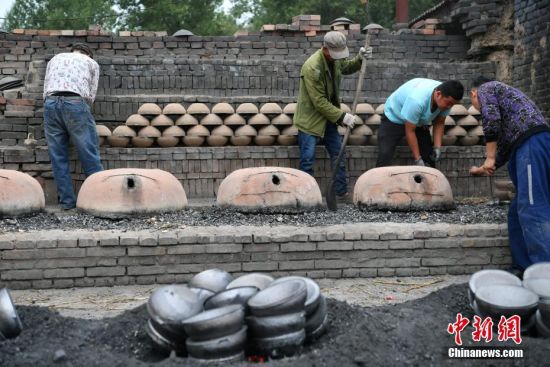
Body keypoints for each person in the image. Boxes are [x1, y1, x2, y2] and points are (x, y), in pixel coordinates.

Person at [469, 76, 550, 271]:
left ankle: (544, 275)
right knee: (517, 211)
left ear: (473, 94)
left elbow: (491, 119)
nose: (479, 109)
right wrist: (484, 167)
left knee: (533, 207)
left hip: (532, 145)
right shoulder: (509, 109)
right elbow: (503, 150)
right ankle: (523, 268)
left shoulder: (487, 88)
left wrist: (488, 157)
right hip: (528, 146)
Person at [293, 31, 372, 200]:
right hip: (310, 120)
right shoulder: (312, 67)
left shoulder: (335, 59)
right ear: (325, 49)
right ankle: (307, 197)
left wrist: (360, 58)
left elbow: (346, 67)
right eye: (336, 53)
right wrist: (342, 116)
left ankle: (341, 194)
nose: (338, 57)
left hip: (329, 118)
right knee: (307, 159)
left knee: (338, 153)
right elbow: (319, 101)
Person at [43, 43, 103, 210]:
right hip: (75, 102)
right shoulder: (91, 63)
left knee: (58, 156)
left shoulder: (55, 58)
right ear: (88, 54)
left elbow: (46, 87)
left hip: (50, 102)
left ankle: (67, 202)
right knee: (88, 152)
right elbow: (91, 95)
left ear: (72, 51)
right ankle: (99, 199)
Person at [376, 78, 464, 167]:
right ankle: (378, 179)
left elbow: (439, 123)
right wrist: (418, 160)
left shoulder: (446, 98)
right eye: (448, 103)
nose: (449, 107)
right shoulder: (417, 100)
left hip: (417, 121)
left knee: (429, 157)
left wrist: (437, 147)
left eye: (453, 104)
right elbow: (410, 131)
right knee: (385, 154)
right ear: (438, 94)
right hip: (394, 117)